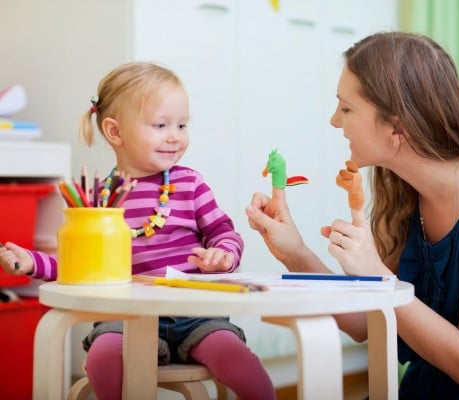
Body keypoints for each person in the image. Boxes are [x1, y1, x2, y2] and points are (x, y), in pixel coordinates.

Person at [245, 32, 459, 399]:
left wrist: (377, 273)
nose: (334, 121)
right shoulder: (403, 190)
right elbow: (368, 323)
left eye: (346, 108)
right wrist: (294, 251)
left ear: (396, 126)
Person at [0, 62, 275, 400]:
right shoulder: (98, 198)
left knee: (238, 361)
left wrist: (224, 255)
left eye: (182, 124)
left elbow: (224, 232)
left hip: (197, 315)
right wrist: (32, 262)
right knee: (103, 358)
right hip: (125, 317)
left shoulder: (189, 184)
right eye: (160, 125)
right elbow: (80, 266)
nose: (175, 135)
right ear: (115, 132)